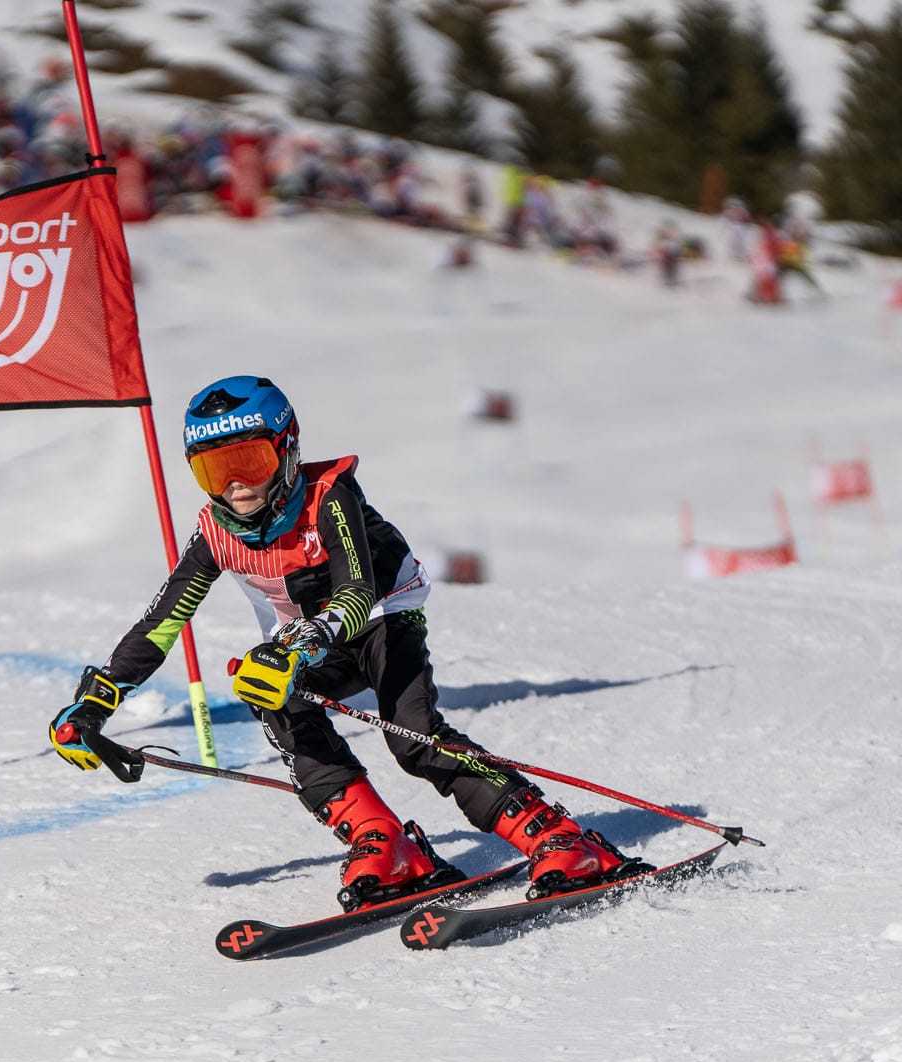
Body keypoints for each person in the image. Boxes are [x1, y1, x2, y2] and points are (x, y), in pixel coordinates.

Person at [47, 376, 645, 909]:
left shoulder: (329, 496)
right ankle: (380, 840)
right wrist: (98, 700)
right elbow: (161, 624)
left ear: (287, 450)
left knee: (413, 738)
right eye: (213, 471)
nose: (235, 486)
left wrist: (301, 645)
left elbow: (356, 590)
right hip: (307, 647)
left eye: (249, 462)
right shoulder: (215, 533)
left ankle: (556, 836)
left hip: (383, 620)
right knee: (269, 694)